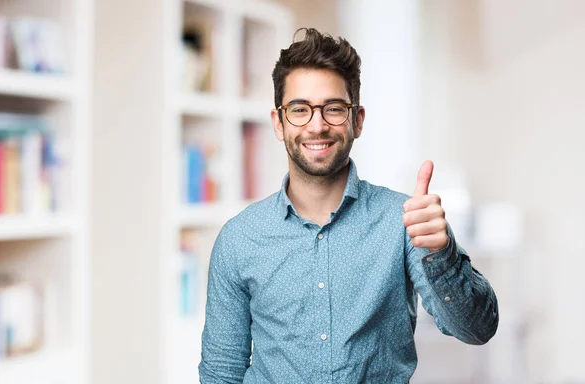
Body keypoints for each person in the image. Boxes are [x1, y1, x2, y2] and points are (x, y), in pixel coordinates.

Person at [198, 28, 498, 383]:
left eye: (334, 109)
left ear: (357, 120)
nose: (317, 125)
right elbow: (222, 371)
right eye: (300, 110)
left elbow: (477, 329)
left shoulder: (405, 222)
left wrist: (442, 254)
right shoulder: (240, 238)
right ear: (279, 123)